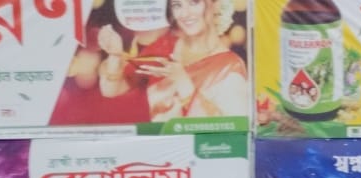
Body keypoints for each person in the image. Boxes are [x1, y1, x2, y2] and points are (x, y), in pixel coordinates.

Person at [93, 0, 248, 121]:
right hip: (163, 155)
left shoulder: (229, 66)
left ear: (216, 4)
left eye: (194, 2)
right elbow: (111, 90)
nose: (185, 13)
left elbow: (230, 129)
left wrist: (182, 82)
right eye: (177, 5)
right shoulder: (164, 46)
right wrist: (114, 55)